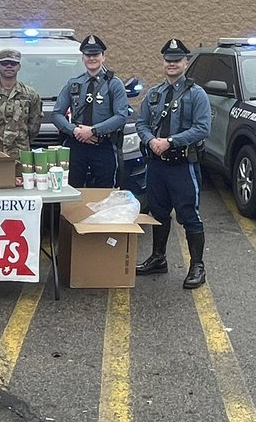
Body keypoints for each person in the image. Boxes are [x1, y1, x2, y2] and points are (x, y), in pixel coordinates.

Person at [135, 37, 212, 289]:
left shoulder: (196, 94)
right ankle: (158, 258)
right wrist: (151, 141)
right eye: (168, 60)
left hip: (182, 164)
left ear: (185, 62)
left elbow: (202, 128)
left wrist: (170, 141)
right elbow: (141, 123)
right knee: (158, 212)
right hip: (157, 164)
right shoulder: (155, 93)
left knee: (189, 215)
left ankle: (197, 266)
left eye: (176, 60)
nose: (172, 64)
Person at [51, 34, 132, 188]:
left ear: (103, 57)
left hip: (103, 146)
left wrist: (93, 131)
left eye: (95, 54)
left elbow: (121, 116)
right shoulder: (74, 84)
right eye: (88, 55)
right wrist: (74, 131)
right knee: (73, 190)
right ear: (83, 58)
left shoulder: (114, 84)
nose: (92, 58)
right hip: (77, 145)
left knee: (105, 191)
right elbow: (56, 114)